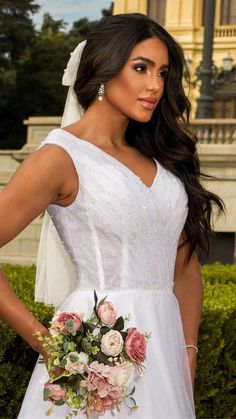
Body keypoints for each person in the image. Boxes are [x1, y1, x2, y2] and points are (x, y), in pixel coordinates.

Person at [0, 13, 223, 419]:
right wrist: (46, 344)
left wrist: (187, 354)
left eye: (162, 72)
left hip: (165, 358)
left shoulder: (164, 157)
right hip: (94, 361)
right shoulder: (58, 158)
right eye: (141, 68)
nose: (155, 85)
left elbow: (186, 269)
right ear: (104, 67)